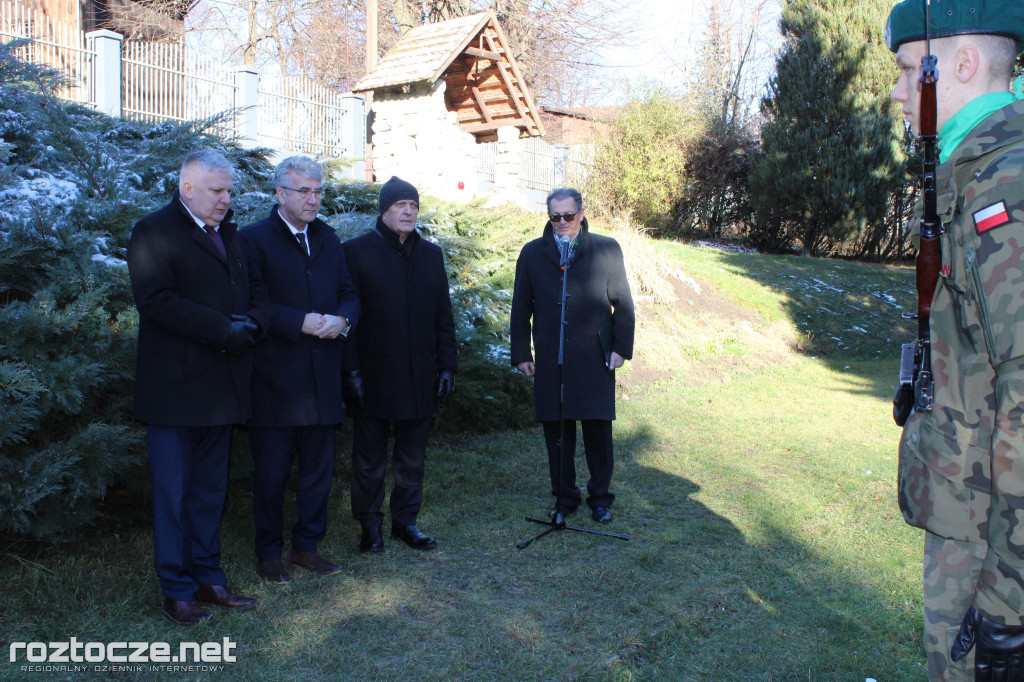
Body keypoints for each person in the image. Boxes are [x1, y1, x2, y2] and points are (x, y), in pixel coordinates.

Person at [886, 1, 1024, 678]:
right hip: (970, 520)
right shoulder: (969, 173)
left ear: (960, 65)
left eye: (912, 72)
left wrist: (1006, 605)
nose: (896, 91)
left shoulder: (1007, 184)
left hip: (993, 546)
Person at [127, 149, 269, 625]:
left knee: (210, 492)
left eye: (229, 190)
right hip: (173, 394)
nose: (225, 199)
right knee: (173, 495)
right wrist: (223, 328)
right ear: (188, 188)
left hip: (222, 390)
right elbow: (157, 302)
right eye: (216, 190)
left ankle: (209, 579)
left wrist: (251, 323)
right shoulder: (154, 231)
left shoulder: (230, 236)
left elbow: (248, 297)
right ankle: (176, 590)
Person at [238, 156, 360, 584]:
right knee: (271, 475)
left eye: (319, 190)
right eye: (304, 191)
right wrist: (298, 322)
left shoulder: (327, 237)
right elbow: (250, 305)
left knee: (318, 474)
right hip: (274, 382)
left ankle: (307, 548)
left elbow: (349, 293)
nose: (314, 199)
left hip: (323, 378)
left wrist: (343, 320)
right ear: (280, 194)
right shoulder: (253, 240)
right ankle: (269, 553)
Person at [341, 176, 458, 553]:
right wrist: (351, 371)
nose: (408, 211)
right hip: (373, 375)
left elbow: (444, 316)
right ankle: (370, 525)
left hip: (419, 374)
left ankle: (405, 522)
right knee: (369, 457)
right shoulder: (356, 252)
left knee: (412, 457)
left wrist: (446, 367)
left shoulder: (431, 255)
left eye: (413, 205)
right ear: (384, 210)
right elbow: (348, 319)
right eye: (400, 205)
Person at [510, 187, 634, 524]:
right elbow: (521, 308)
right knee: (557, 432)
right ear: (549, 216)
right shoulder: (533, 253)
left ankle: (600, 499)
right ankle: (564, 497)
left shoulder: (606, 250)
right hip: (552, 357)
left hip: (594, 356)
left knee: (597, 429)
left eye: (568, 215)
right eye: (555, 217)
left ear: (580, 214)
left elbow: (622, 302)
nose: (562, 222)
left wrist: (621, 348)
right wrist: (521, 352)